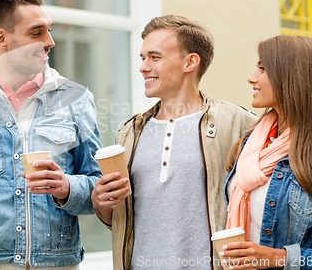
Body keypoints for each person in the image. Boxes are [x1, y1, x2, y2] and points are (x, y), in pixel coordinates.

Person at [0, 0, 102, 269]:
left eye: (50, 30)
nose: (50, 41)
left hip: (59, 263)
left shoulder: (76, 99)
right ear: (1, 38)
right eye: (36, 32)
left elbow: (100, 187)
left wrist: (67, 187)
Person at [91, 15, 257, 270]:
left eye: (154, 57)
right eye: (143, 58)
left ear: (190, 62)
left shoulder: (239, 124)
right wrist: (101, 203)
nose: (143, 67)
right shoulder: (129, 133)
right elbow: (119, 220)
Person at [221, 35, 312, 269]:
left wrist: (278, 257)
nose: (252, 78)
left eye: (262, 69)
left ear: (291, 77)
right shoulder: (251, 142)